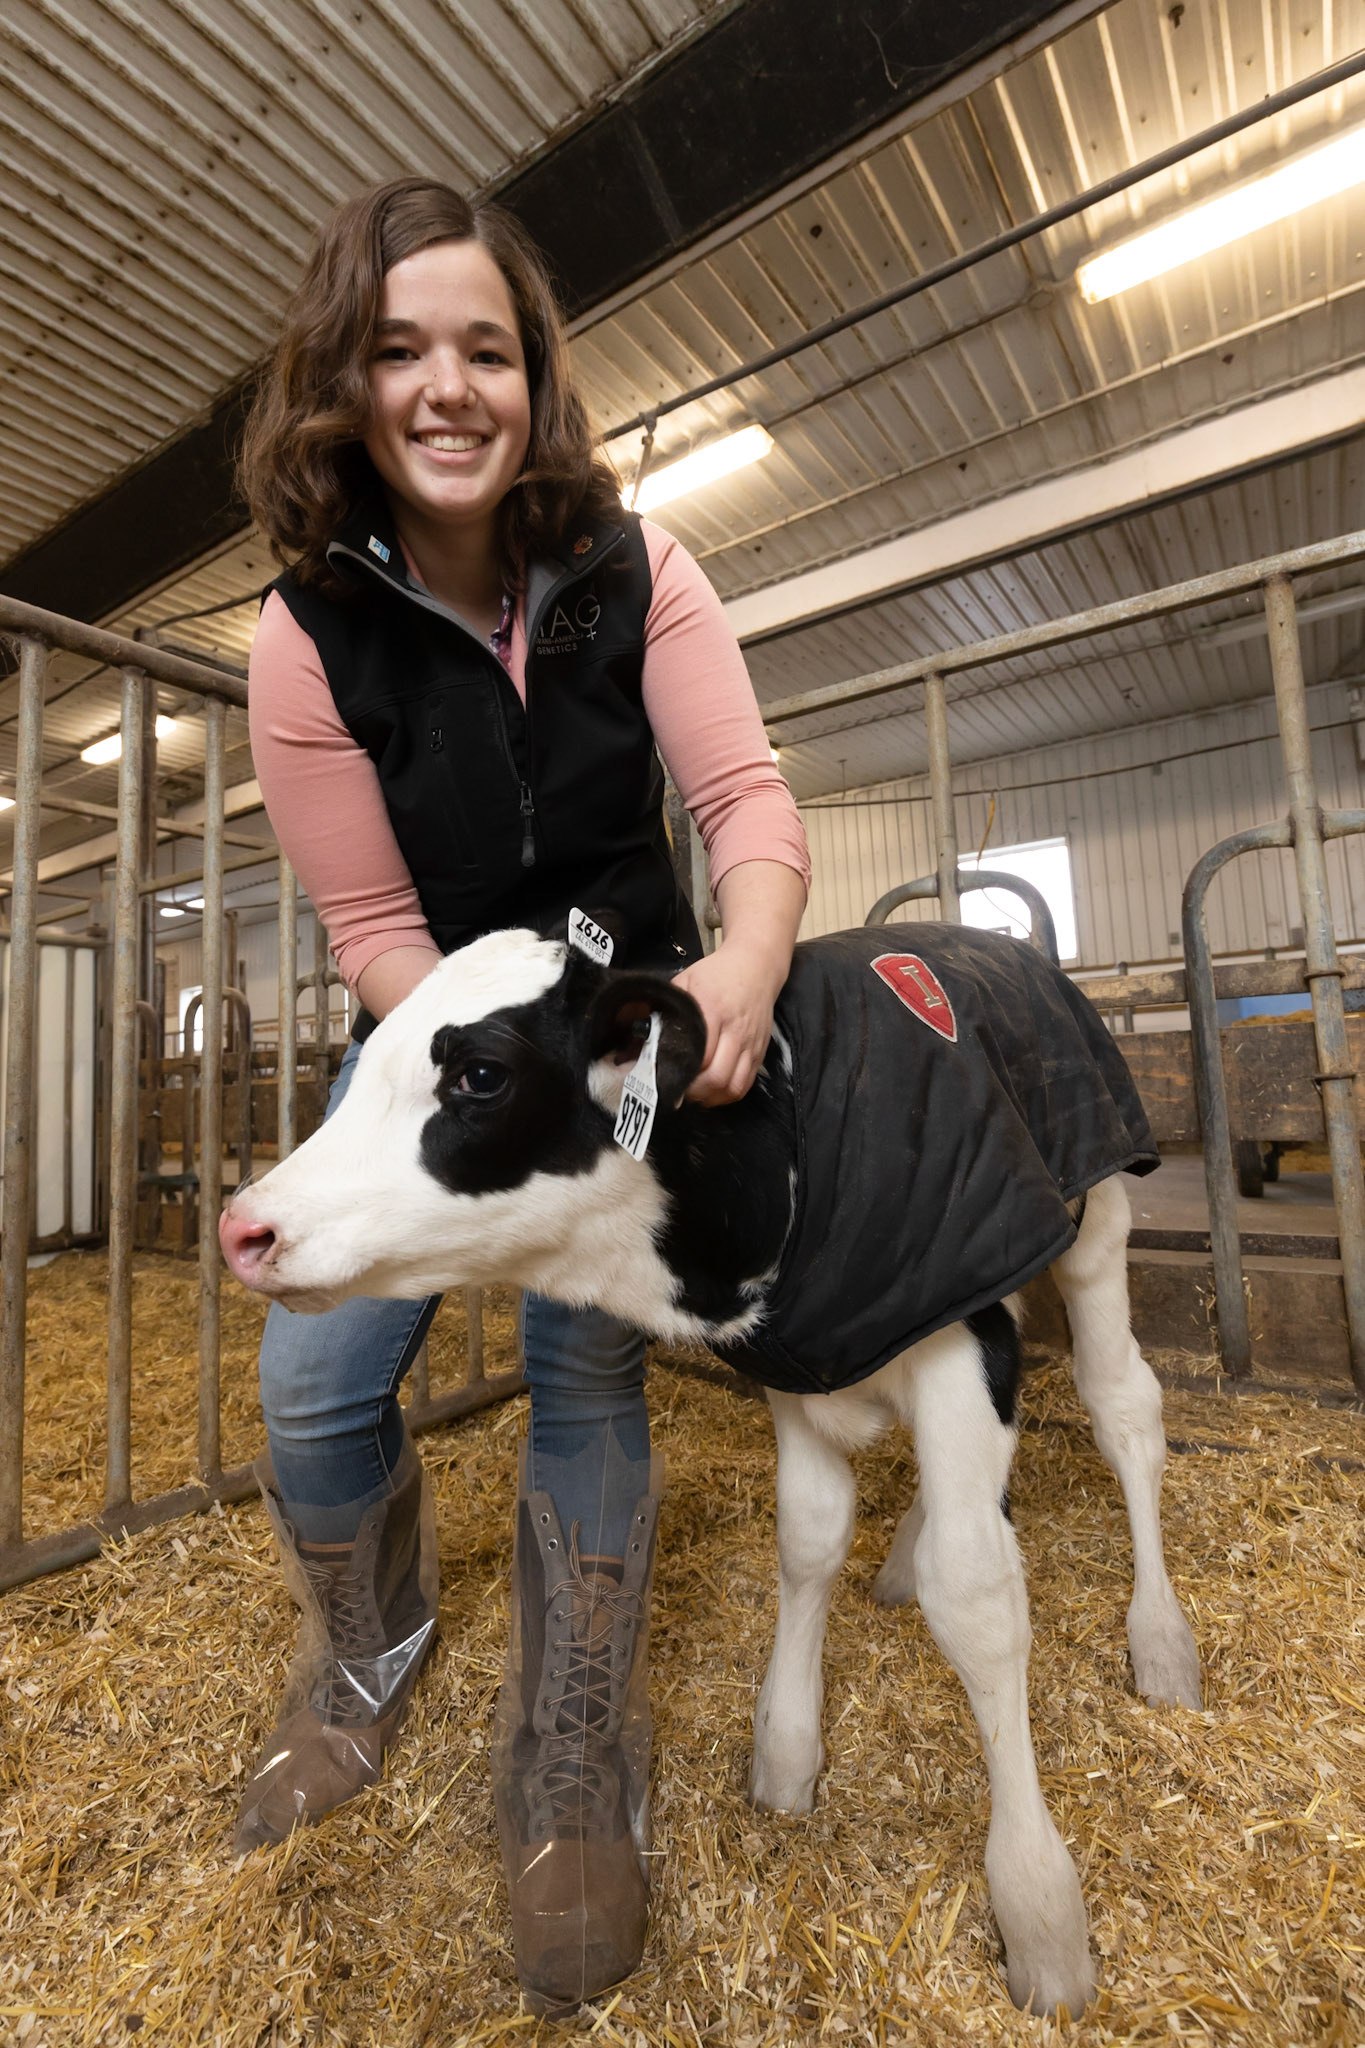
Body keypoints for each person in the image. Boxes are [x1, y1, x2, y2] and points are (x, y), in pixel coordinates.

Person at [233, 176, 810, 2010]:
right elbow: (378, 926)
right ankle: (368, 1645)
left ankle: (573, 1751)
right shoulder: (302, 635)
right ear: (346, 382)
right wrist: (474, 1094)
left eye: (486, 347)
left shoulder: (643, 568)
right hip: (437, 1037)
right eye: (399, 350)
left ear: (533, 377)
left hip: (611, 1050)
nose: (448, 385)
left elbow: (744, 810)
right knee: (312, 1373)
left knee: (584, 1369)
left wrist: (740, 966)